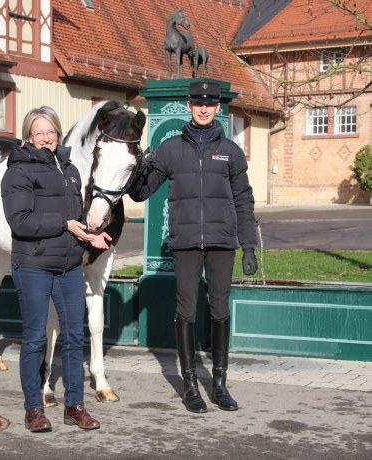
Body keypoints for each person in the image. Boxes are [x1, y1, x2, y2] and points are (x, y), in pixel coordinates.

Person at [129, 81, 258, 414]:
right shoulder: (170, 149)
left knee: (220, 311)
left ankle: (218, 385)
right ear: (189, 105)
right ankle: (189, 387)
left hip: (221, 242)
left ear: (217, 108)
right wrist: (138, 169)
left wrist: (249, 246)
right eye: (198, 103)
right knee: (186, 311)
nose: (204, 108)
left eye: (210, 104)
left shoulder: (230, 151)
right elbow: (141, 193)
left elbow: (244, 199)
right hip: (186, 242)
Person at [1, 106, 111, 432]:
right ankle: (33, 409)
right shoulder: (18, 171)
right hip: (33, 264)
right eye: (39, 132)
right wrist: (65, 224)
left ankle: (74, 406)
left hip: (68, 266)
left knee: (74, 336)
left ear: (58, 133)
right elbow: (19, 221)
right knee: (35, 339)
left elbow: (74, 218)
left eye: (50, 131)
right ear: (28, 137)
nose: (46, 137)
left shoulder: (70, 169)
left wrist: (90, 233)